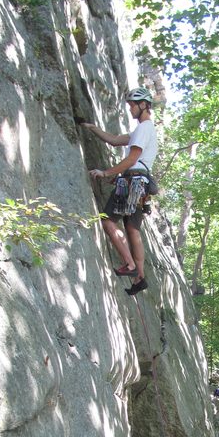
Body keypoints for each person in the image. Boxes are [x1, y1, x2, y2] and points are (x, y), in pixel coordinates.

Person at [82, 87, 158, 296]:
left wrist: (107, 173)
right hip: (141, 184)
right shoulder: (143, 131)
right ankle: (139, 277)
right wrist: (91, 127)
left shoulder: (143, 129)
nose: (131, 108)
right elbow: (115, 140)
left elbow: (132, 159)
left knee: (107, 221)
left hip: (132, 181)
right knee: (133, 229)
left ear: (144, 105)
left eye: (133, 105)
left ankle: (130, 264)